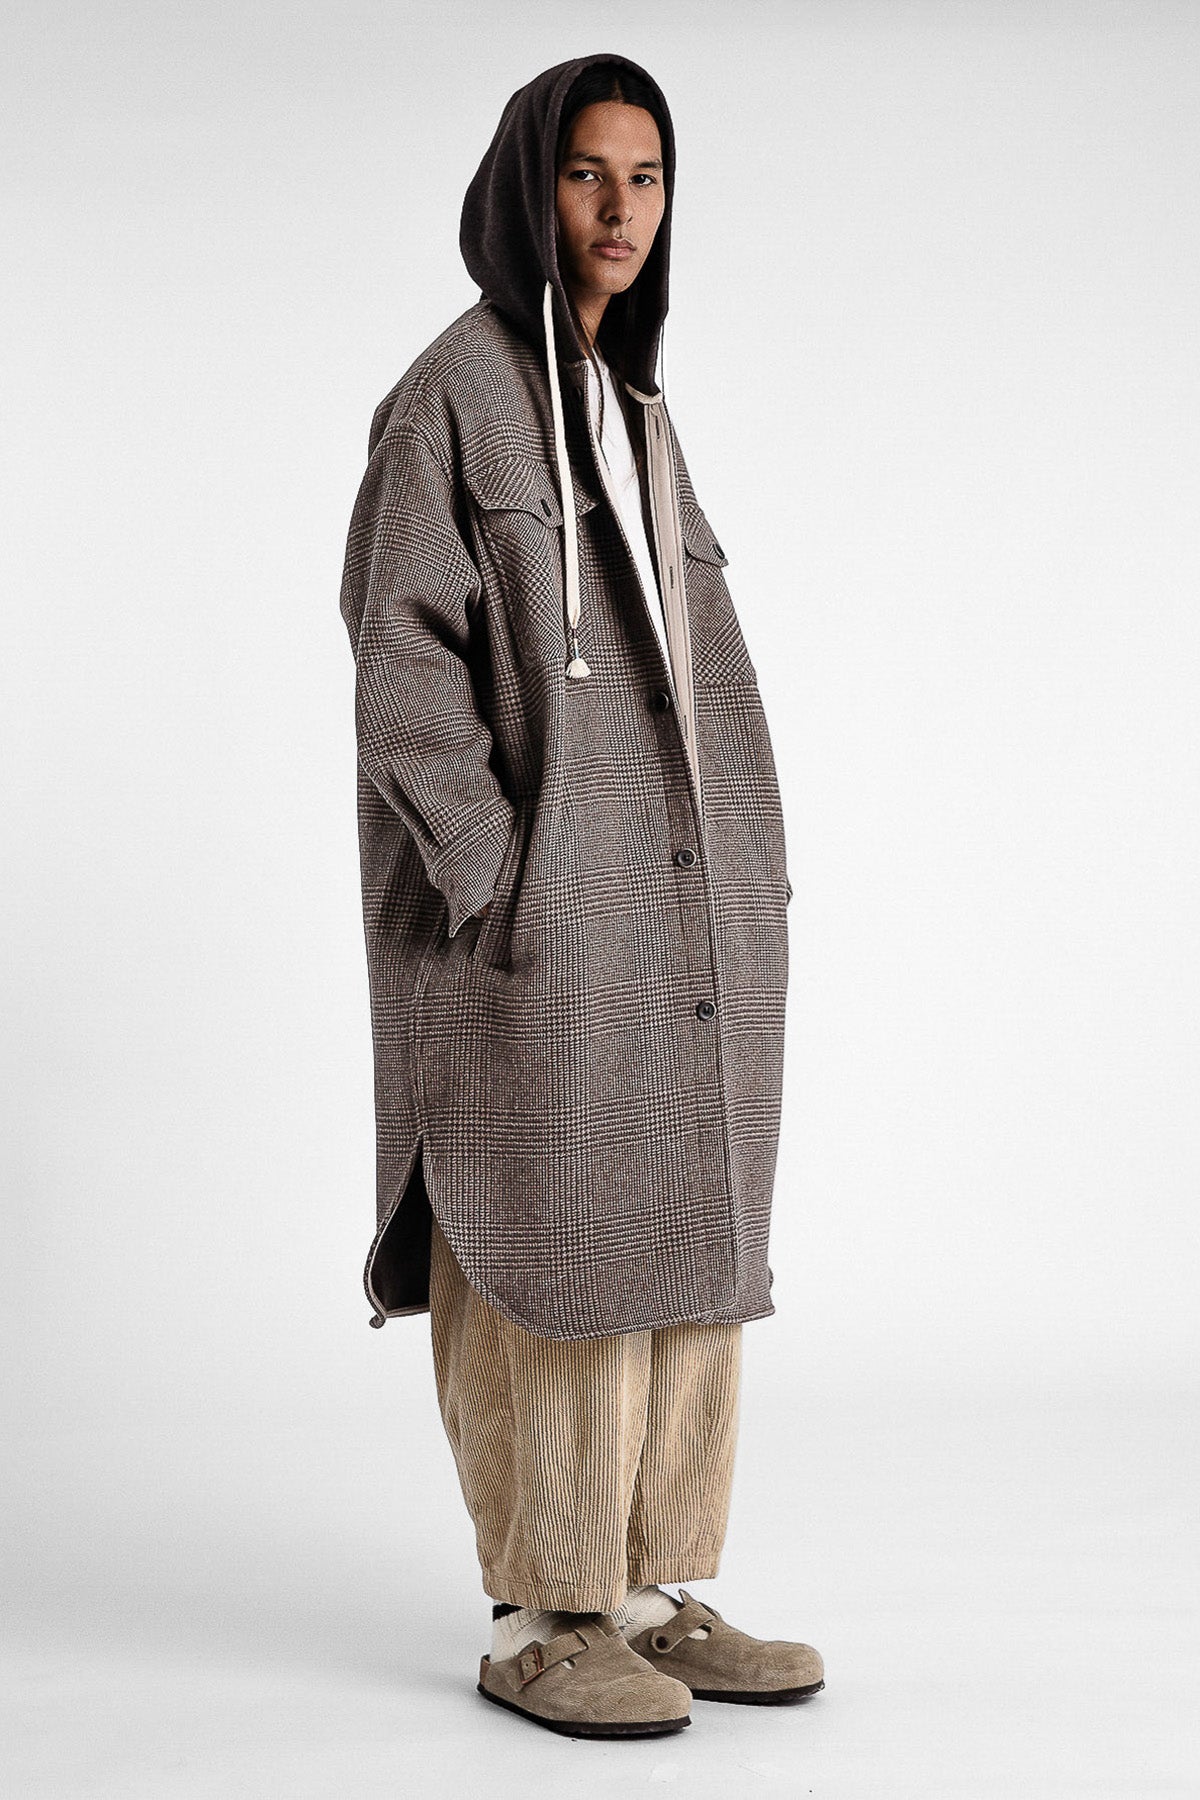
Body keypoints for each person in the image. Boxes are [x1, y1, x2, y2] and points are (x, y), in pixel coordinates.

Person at [339, 52, 824, 1738]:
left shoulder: (635, 407)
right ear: (524, 186)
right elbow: (402, 663)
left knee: (683, 1235)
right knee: (544, 1240)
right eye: (587, 174)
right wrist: (499, 880)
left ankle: (650, 1593)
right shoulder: (453, 398)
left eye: (649, 177)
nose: (621, 211)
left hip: (679, 907)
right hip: (542, 919)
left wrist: (742, 873)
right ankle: (542, 1614)